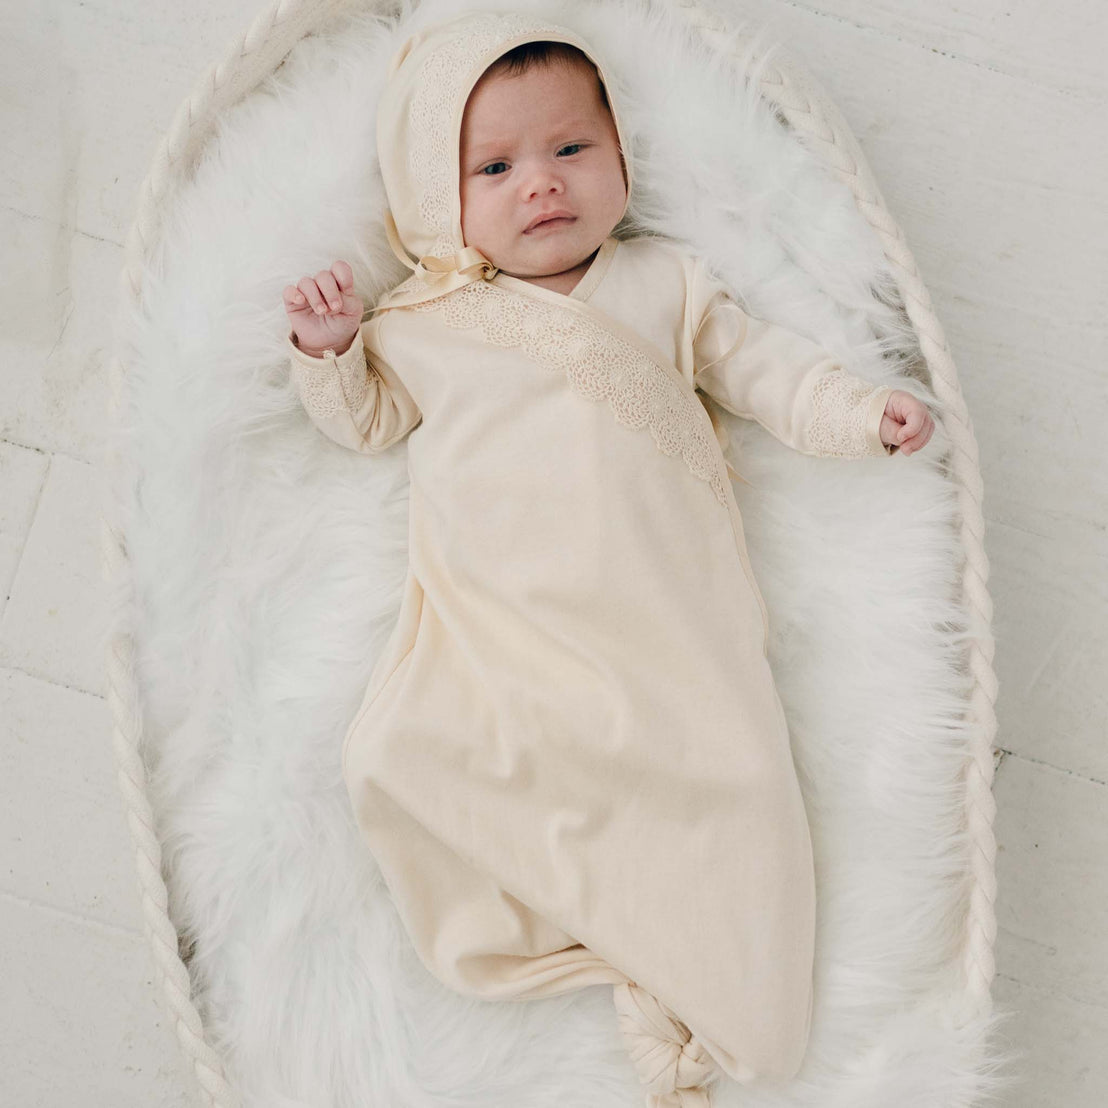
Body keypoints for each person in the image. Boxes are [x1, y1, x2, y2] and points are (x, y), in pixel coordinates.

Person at [281, 11, 934, 1108]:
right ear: (436, 203)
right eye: (494, 166)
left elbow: (771, 372)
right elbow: (362, 423)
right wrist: (330, 349)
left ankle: (699, 968)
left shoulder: (665, 286)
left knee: (723, 781)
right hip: (507, 625)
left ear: (620, 155)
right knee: (400, 754)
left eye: (571, 150)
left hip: (665, 614)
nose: (542, 185)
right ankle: (604, 938)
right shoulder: (421, 324)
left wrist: (864, 413)